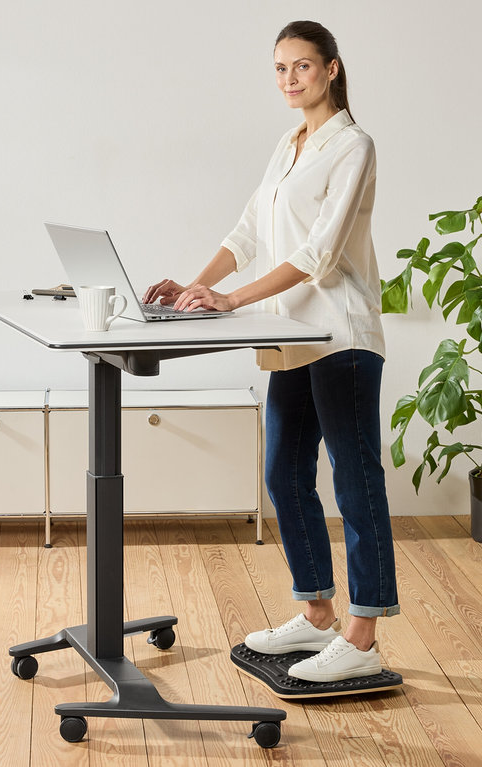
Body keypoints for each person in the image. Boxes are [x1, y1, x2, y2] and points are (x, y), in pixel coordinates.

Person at [144, 20, 399, 683]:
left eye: (303, 67)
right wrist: (198, 285)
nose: (290, 79)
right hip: (291, 334)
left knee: (354, 476)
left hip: (339, 333)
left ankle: (362, 631)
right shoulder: (288, 144)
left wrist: (231, 303)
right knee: (285, 471)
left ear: (333, 70)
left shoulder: (354, 146)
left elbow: (317, 255)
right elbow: (250, 228)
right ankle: (316, 614)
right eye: (280, 69)